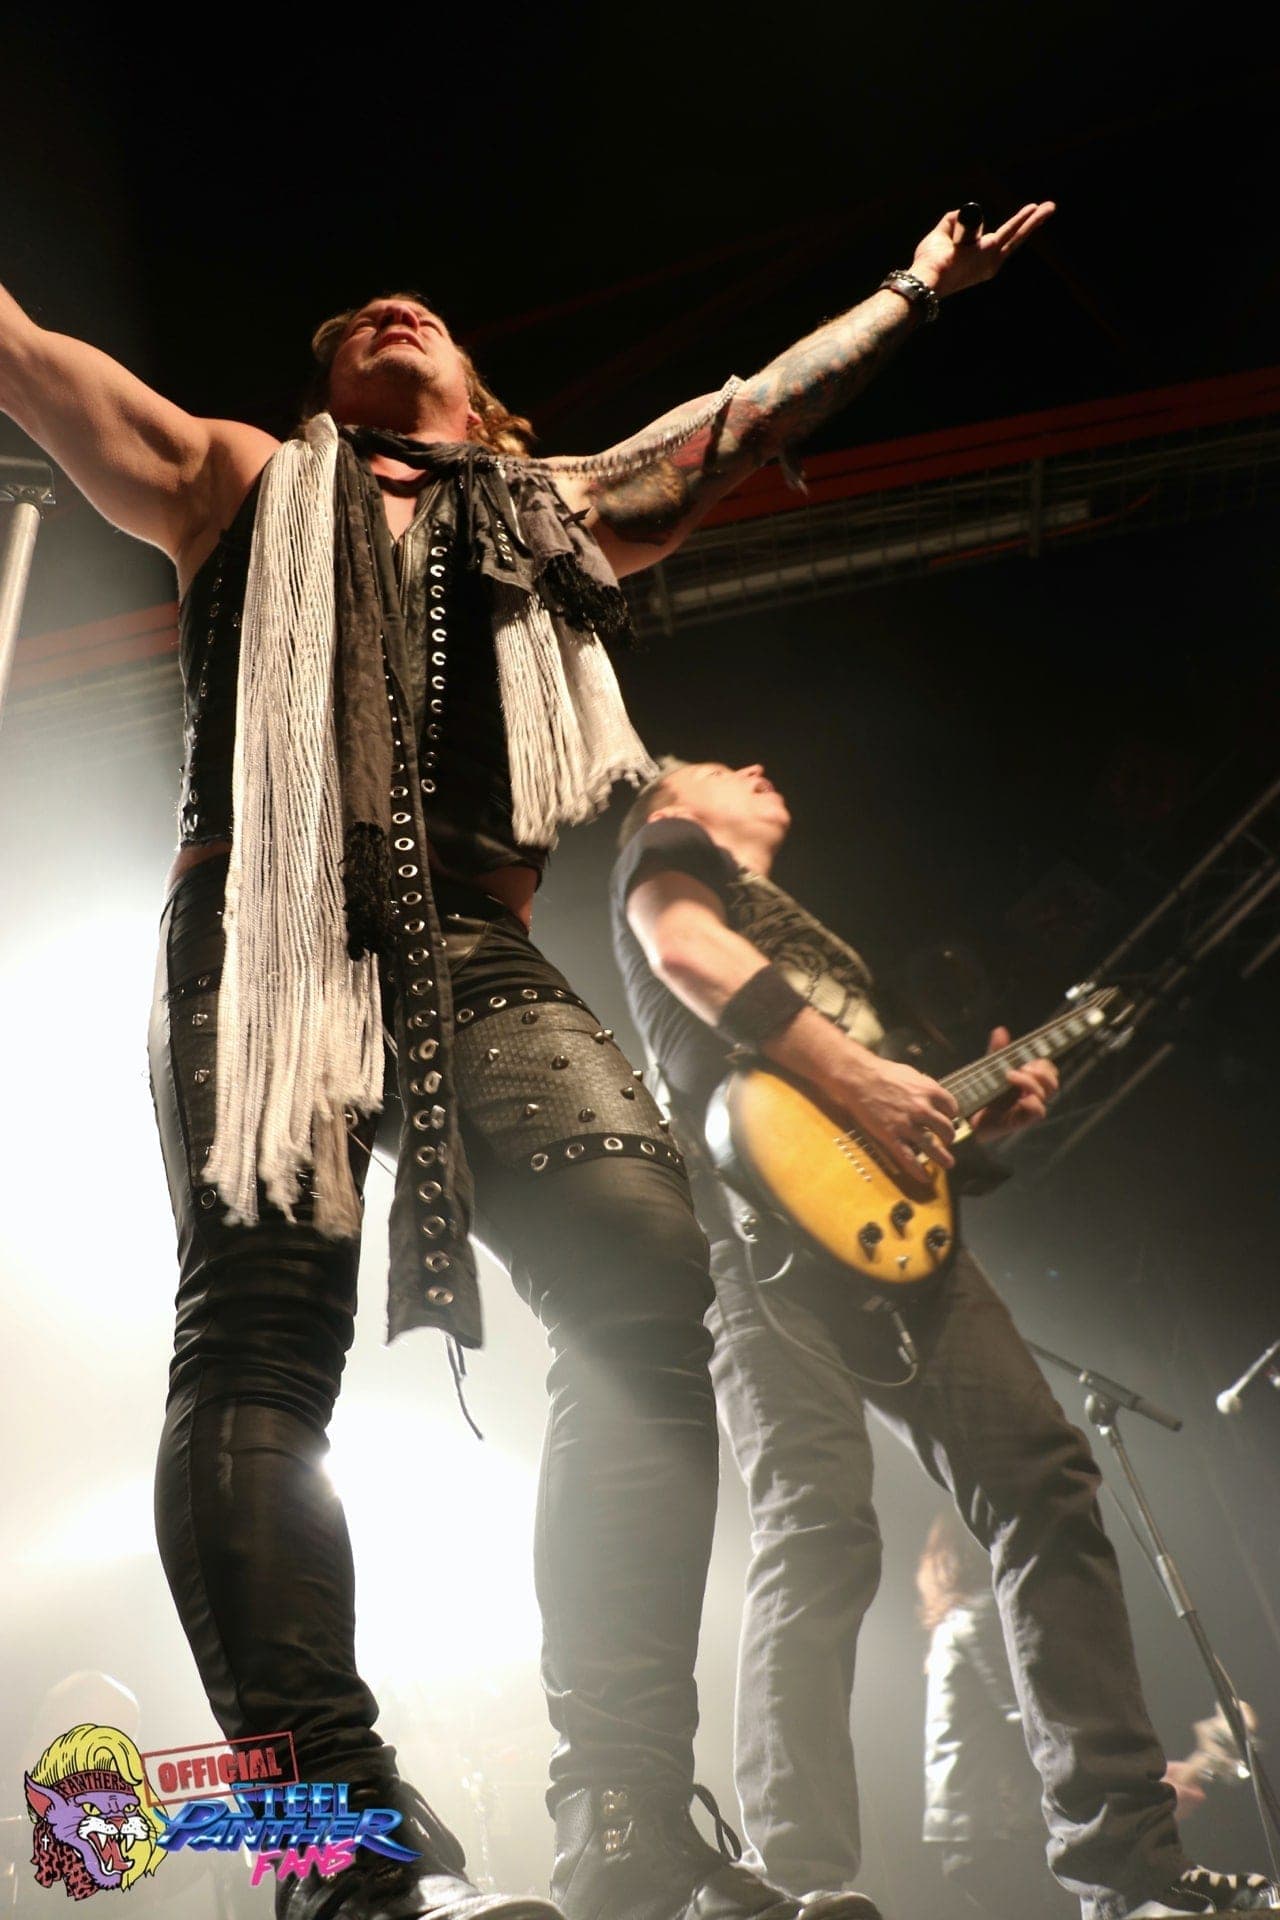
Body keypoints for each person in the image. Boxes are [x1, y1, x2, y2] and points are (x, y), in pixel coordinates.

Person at [0, 200, 1051, 1920]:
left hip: (477, 943)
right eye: (352, 320)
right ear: (325, 389)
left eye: (417, 309)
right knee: (260, 1332)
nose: (386, 310)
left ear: (484, 396)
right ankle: (336, 1850)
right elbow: (28, 359)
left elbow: (742, 417)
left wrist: (914, 292)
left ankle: (629, 1816)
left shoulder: (557, 507)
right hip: (264, 922)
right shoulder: (232, 475)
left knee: (645, 1282)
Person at [609, 755, 1278, 1920]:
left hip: (895, 1243)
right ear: (669, 803)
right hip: (751, 1225)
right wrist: (864, 1076)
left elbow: (874, 1123)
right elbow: (682, 950)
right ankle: (794, 1881)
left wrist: (973, 1127)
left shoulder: (808, 933)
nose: (755, 768)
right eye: (720, 765)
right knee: (816, 1525)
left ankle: (1126, 1866)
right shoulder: (668, 851)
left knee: (1045, 1481)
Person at [915, 1513, 1208, 1920]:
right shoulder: (980, 1614)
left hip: (975, 1829)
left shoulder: (955, 1623)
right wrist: (1128, 1788)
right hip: (999, 1828)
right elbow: (1038, 1719)